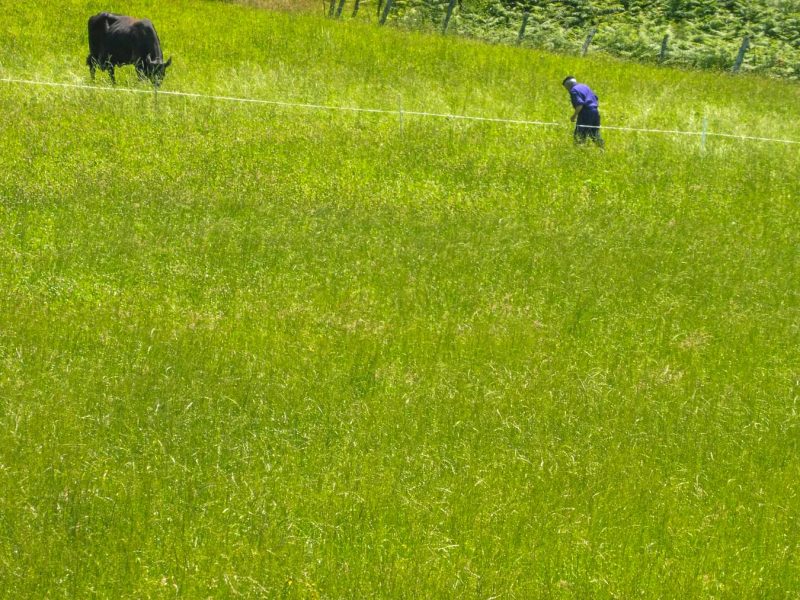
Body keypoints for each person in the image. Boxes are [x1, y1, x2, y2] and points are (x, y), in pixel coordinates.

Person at [562, 76, 604, 148]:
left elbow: (580, 105)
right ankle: (602, 149)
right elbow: (595, 97)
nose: (567, 90)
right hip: (595, 112)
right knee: (594, 133)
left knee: (579, 136)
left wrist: (574, 116)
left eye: (566, 88)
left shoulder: (574, 90)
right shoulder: (585, 86)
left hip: (585, 113)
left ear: (568, 85)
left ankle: (578, 151)